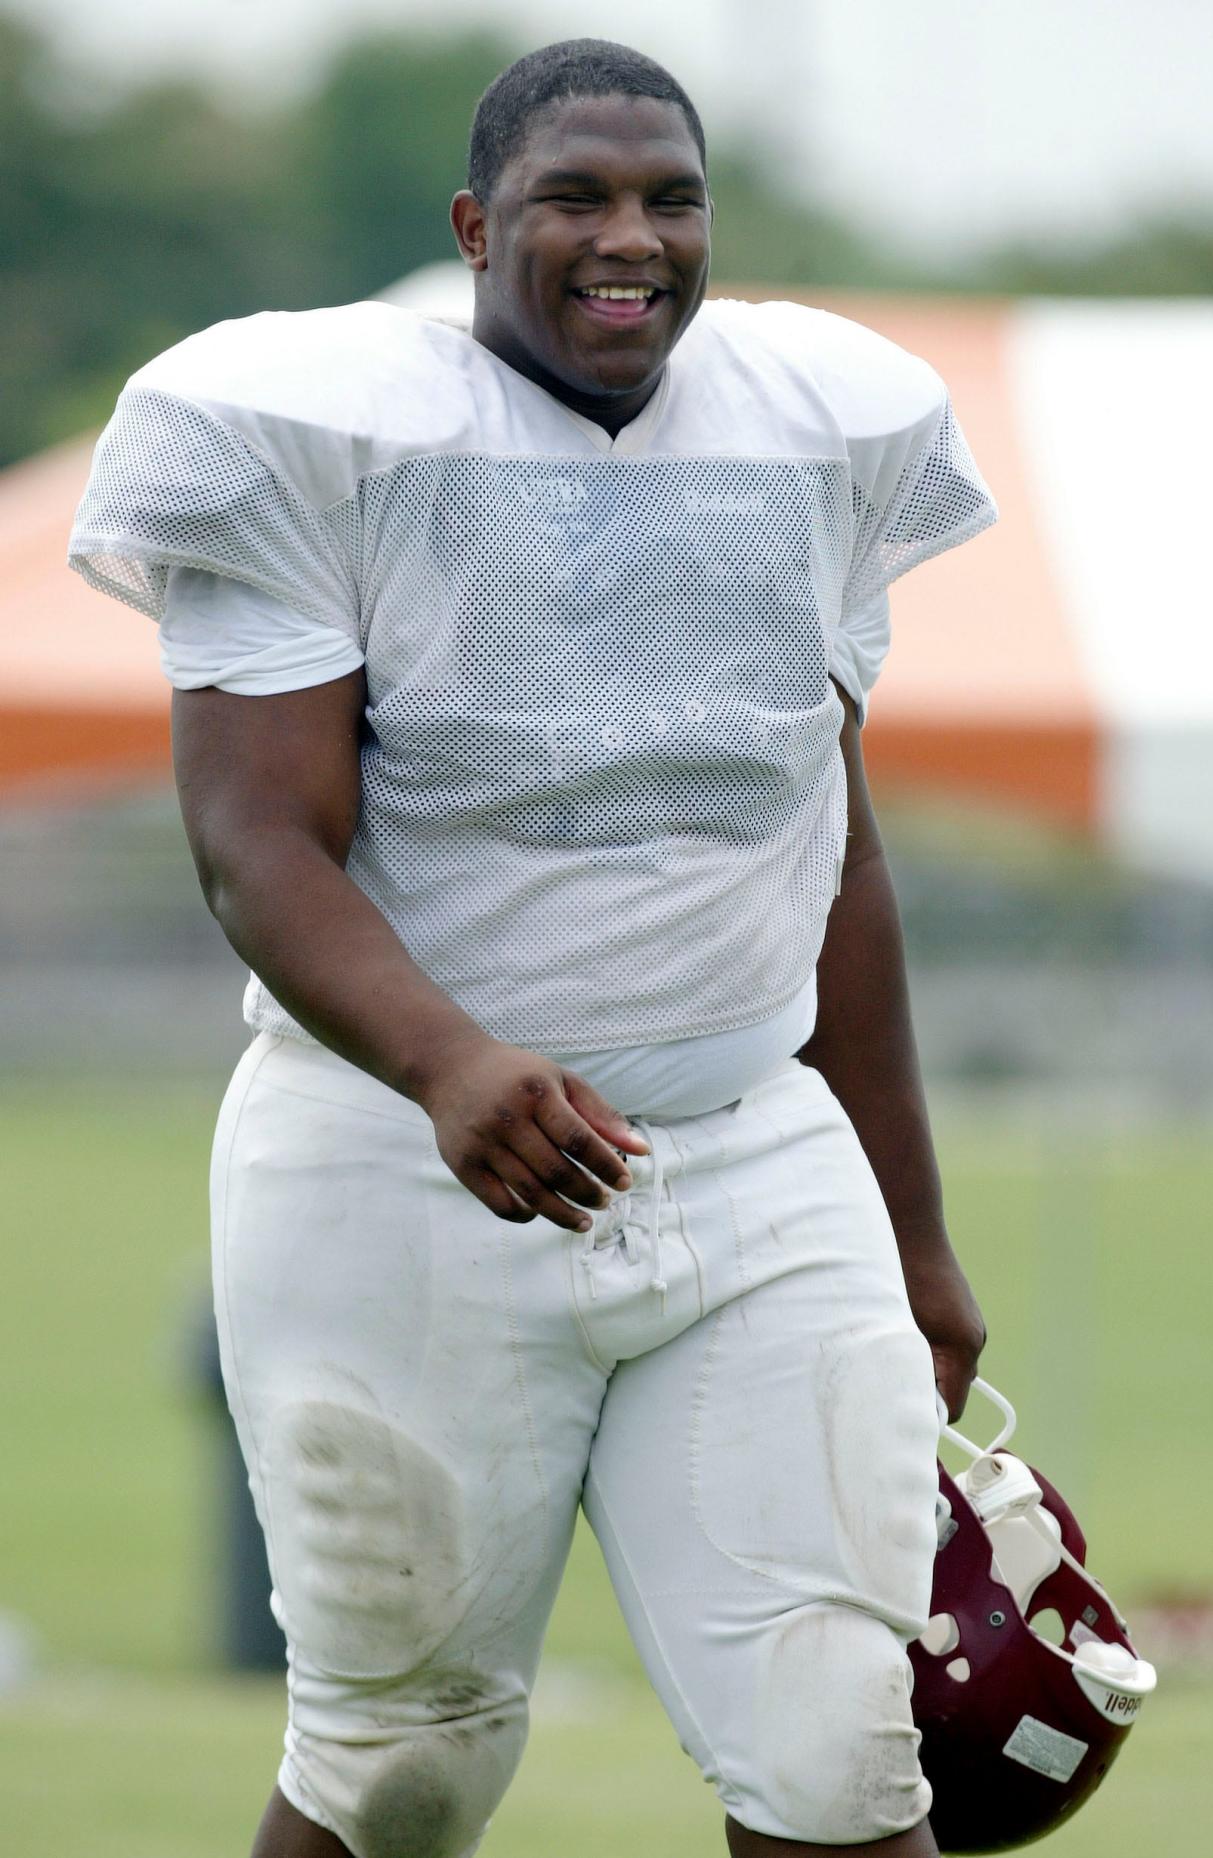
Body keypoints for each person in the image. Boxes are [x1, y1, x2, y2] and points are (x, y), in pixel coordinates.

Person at [69, 38, 995, 1858]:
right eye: (577, 196)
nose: (628, 238)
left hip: (746, 1155)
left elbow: (840, 860)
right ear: (481, 221)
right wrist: (445, 1060)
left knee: (837, 1753)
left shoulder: (817, 421)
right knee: (403, 1764)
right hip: (398, 1165)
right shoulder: (305, 423)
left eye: (670, 197)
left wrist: (911, 1233)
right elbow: (256, 837)